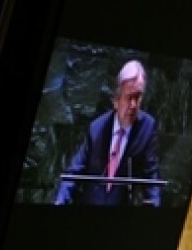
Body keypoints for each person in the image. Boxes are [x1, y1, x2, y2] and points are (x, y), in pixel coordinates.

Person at [54, 60, 161, 206]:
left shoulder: (147, 128)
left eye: (138, 97)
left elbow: (152, 179)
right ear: (116, 100)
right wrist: (60, 201)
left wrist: (154, 207)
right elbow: (73, 173)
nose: (134, 105)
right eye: (129, 97)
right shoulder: (97, 128)